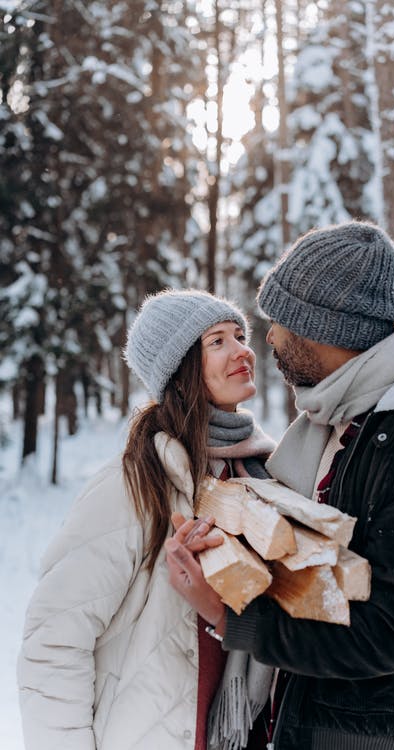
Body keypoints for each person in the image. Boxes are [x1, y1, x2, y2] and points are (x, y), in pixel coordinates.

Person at [166, 222, 394, 750]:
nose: (269, 338)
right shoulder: (345, 417)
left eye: (282, 323)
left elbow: (387, 633)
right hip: (319, 718)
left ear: (328, 330)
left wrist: (230, 616)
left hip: (371, 736)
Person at [17, 289, 276, 750]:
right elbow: (54, 642)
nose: (243, 351)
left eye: (240, 335)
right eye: (217, 341)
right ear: (179, 369)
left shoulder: (259, 476)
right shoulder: (135, 483)